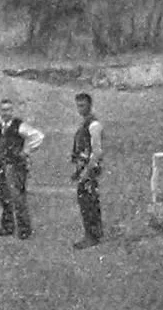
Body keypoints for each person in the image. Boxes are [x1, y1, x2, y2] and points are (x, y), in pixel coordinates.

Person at [0, 98, 44, 240]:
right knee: (4, 196)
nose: (6, 113)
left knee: (17, 197)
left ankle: (24, 229)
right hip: (2, 165)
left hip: (15, 167)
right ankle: (7, 226)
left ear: (12, 111)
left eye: (8, 110)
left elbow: (38, 137)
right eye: (3, 110)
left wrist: (25, 152)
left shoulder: (20, 126)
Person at [70, 92, 104, 250]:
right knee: (86, 201)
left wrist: (86, 171)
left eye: (82, 105)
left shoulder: (93, 125)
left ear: (90, 105)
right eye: (78, 105)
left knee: (88, 202)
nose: (80, 109)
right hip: (83, 166)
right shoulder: (85, 123)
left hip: (90, 168)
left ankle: (92, 236)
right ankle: (93, 233)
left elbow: (97, 152)